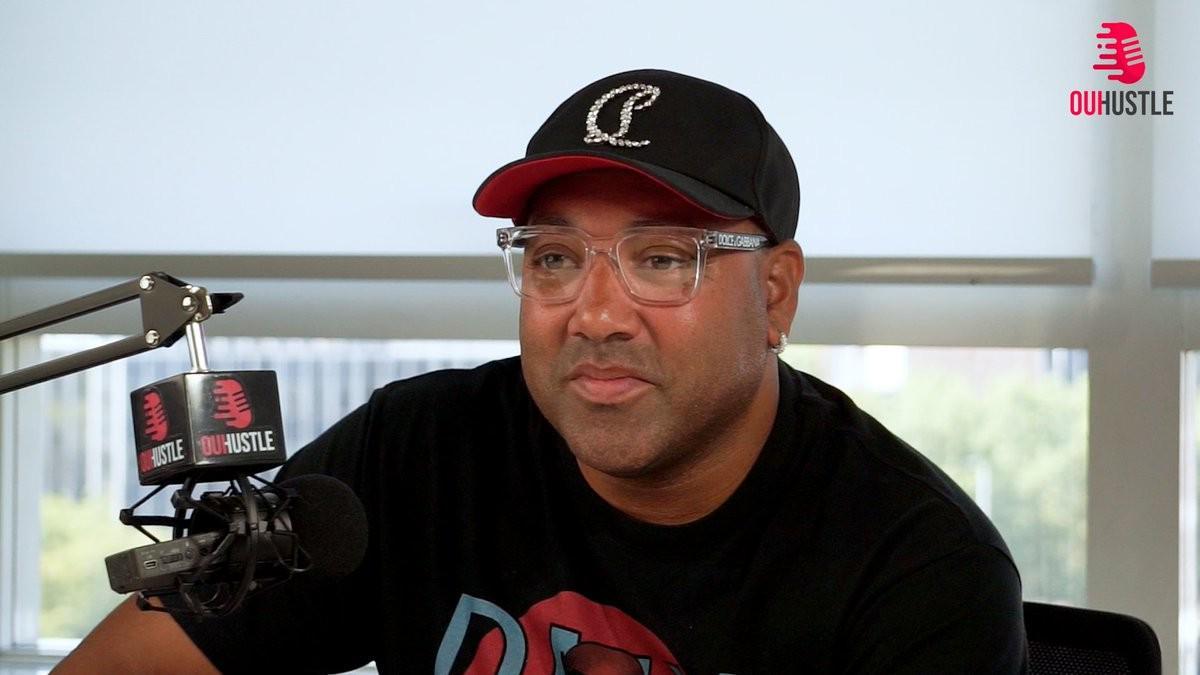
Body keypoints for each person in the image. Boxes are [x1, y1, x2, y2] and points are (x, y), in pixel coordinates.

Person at [58, 69, 1027, 674]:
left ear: (775, 294)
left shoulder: (918, 567)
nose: (595, 315)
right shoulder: (416, 452)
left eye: (662, 259)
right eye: (555, 258)